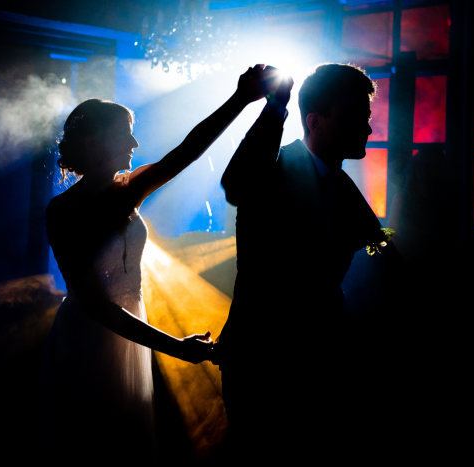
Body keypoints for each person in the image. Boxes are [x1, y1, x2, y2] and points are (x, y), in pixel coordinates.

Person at [39, 66, 271, 464]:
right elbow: (97, 308)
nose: (134, 141)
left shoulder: (130, 188)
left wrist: (241, 99)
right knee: (88, 446)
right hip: (89, 337)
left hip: (130, 324)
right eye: (123, 132)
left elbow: (187, 151)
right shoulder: (64, 212)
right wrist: (175, 347)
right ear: (95, 143)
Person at [217, 64, 386, 461]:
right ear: (316, 121)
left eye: (367, 118)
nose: (368, 129)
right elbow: (237, 183)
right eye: (357, 118)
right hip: (261, 364)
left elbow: (375, 261)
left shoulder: (346, 193)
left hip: (320, 366)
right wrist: (277, 103)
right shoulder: (272, 174)